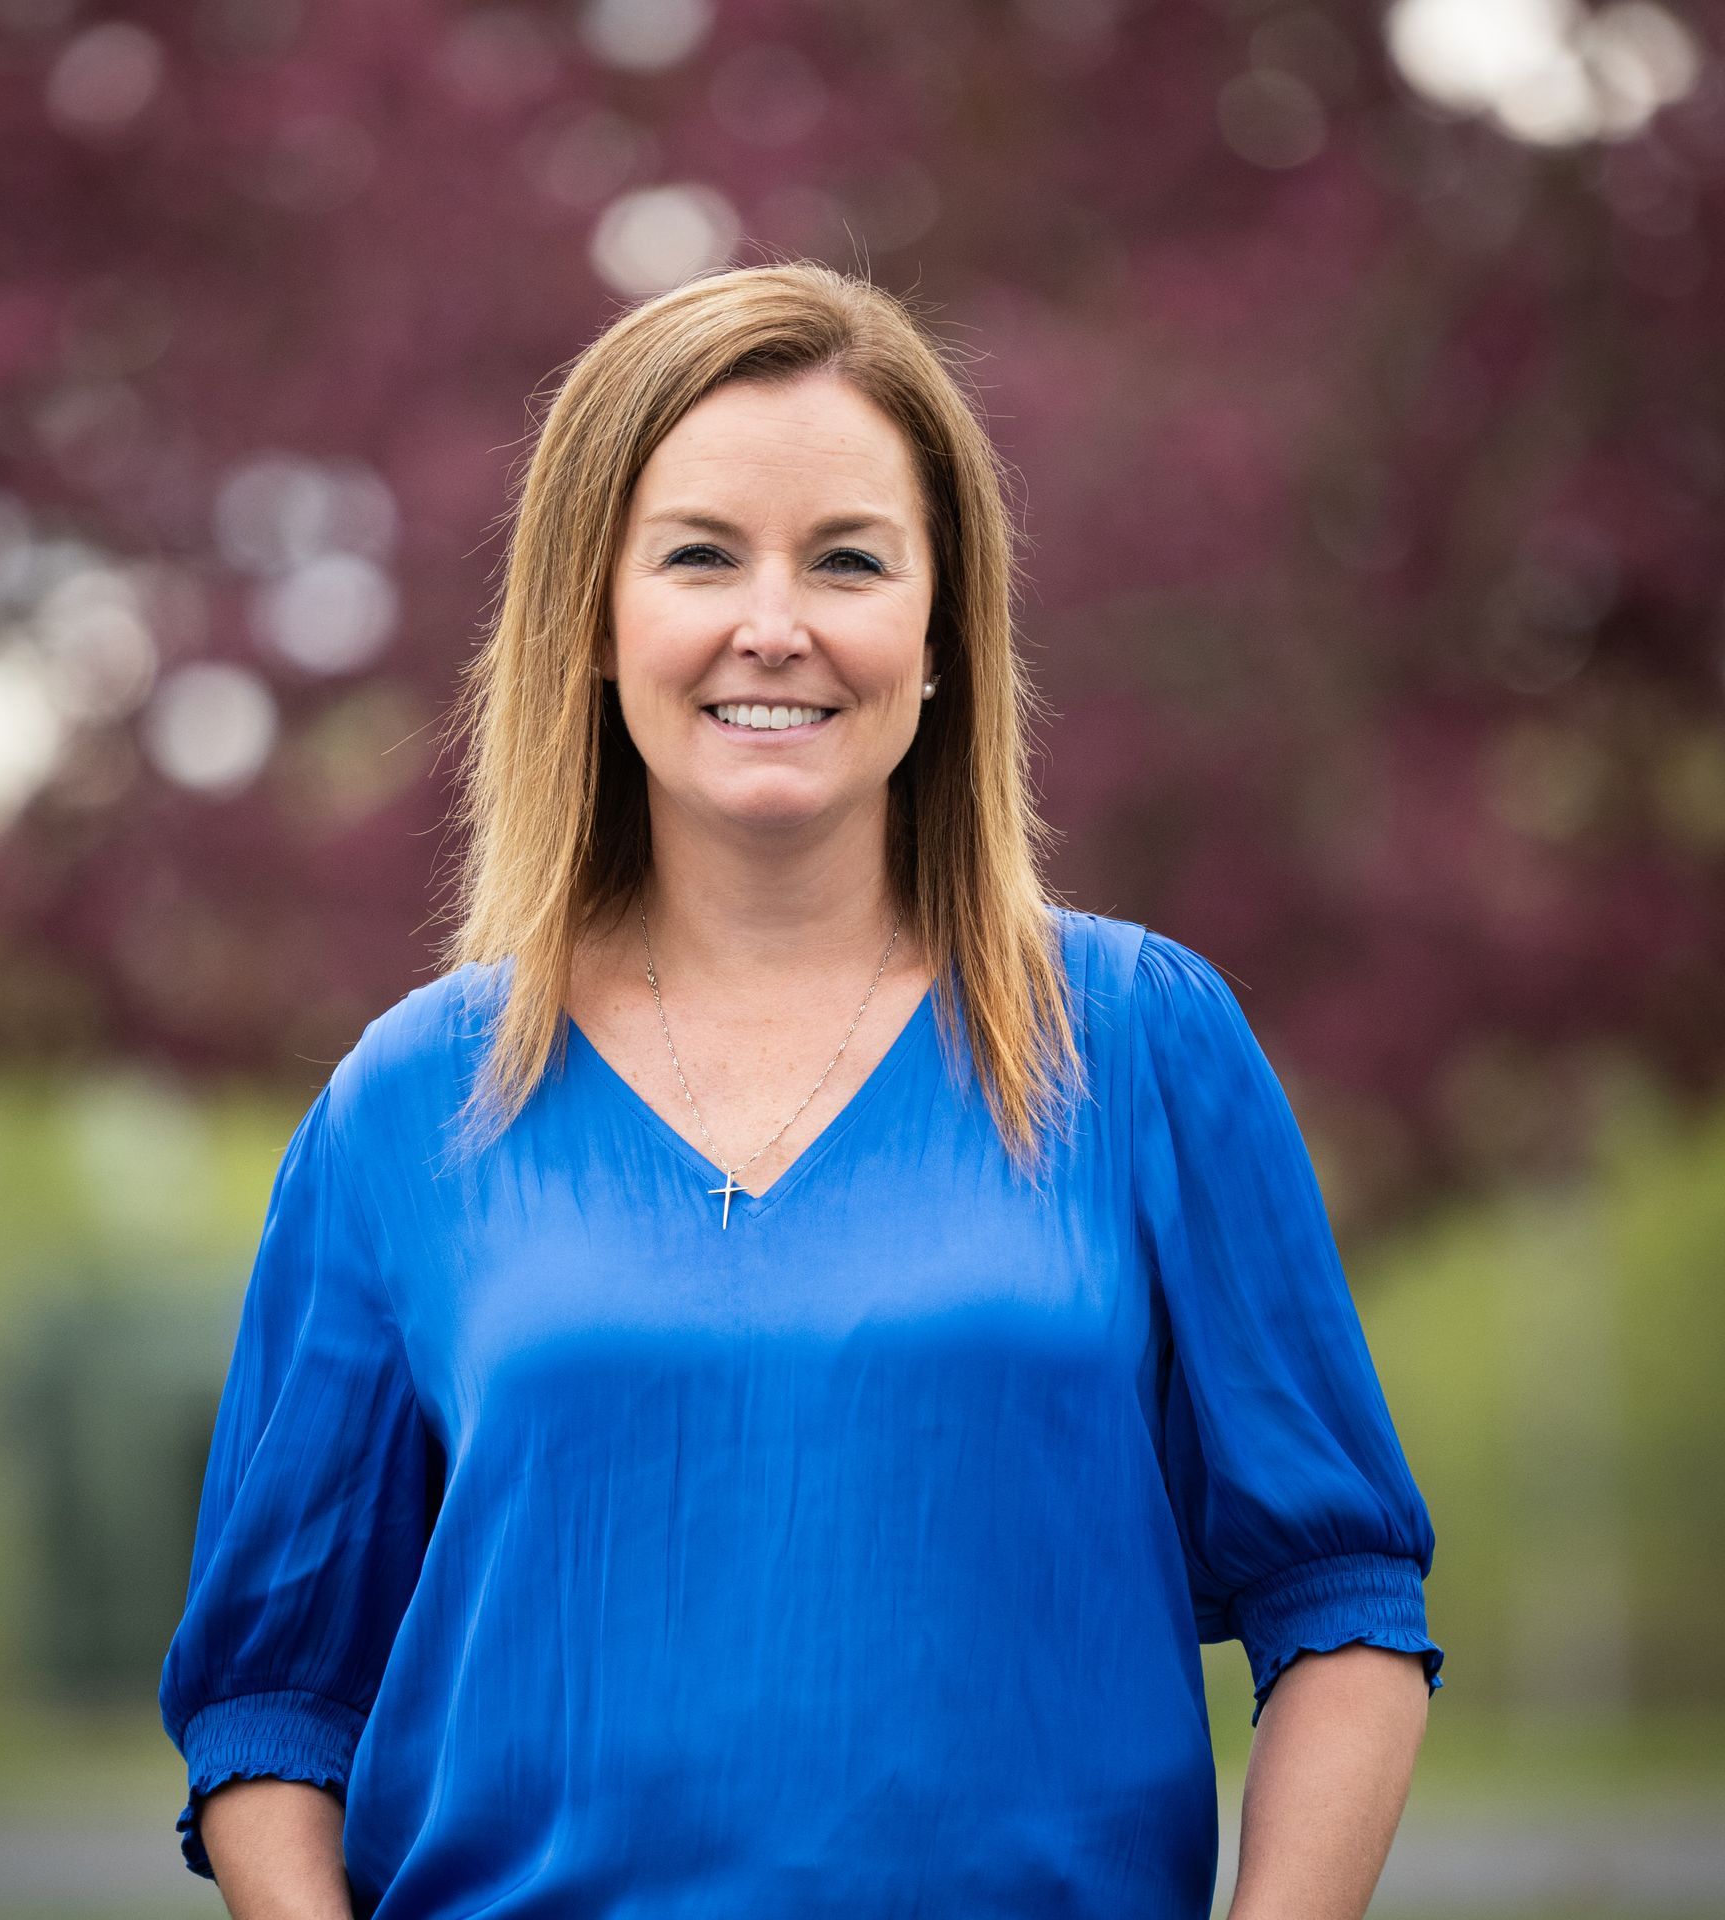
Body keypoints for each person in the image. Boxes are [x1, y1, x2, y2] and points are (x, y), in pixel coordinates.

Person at [158, 260, 1444, 1920]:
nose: (776, 624)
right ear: (592, 622)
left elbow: (1341, 1594)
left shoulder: (1135, 1042)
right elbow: (274, 1699)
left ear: (939, 631)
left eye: (848, 559)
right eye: (700, 555)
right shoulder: (408, 1107)